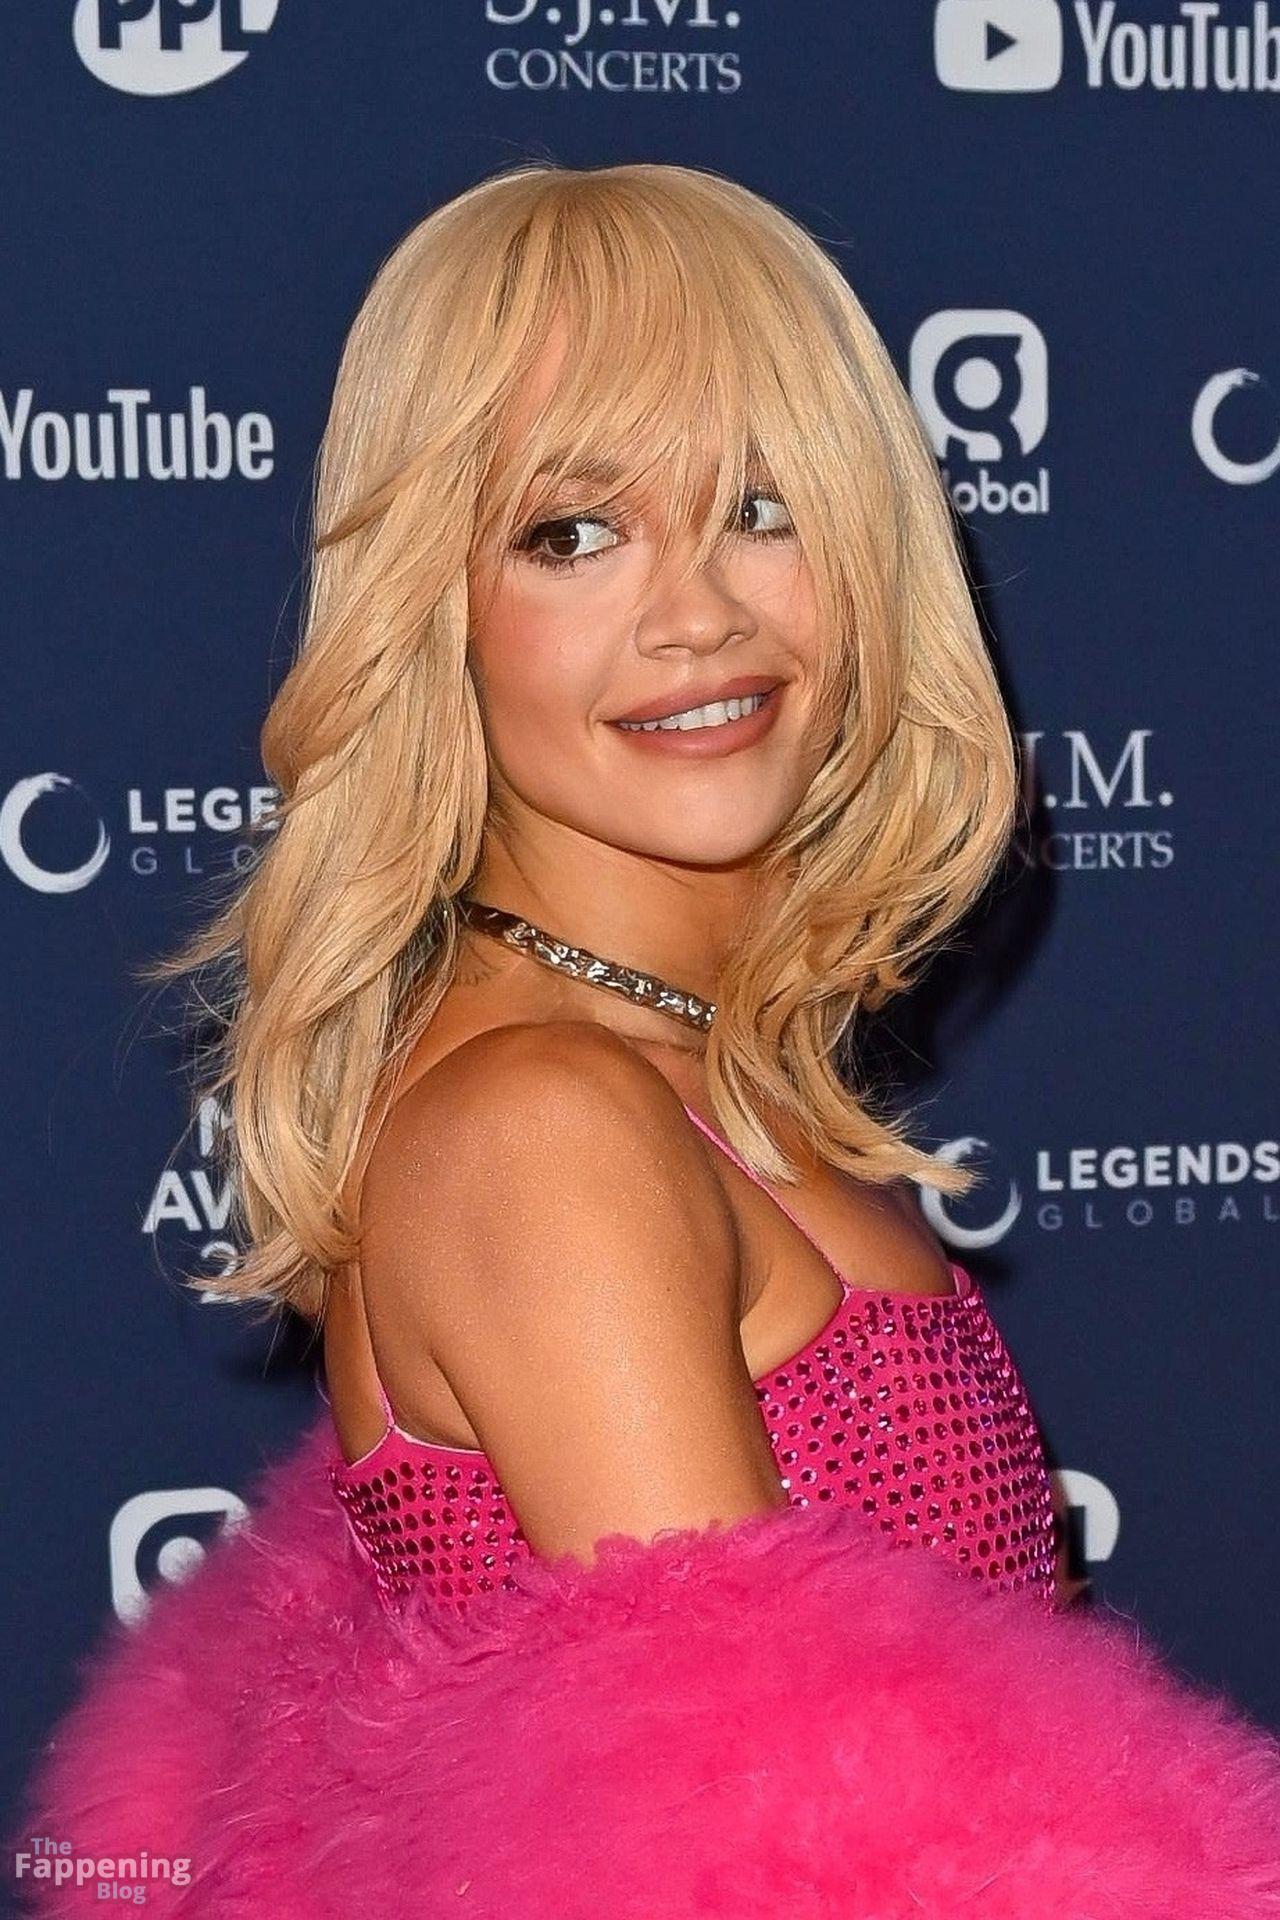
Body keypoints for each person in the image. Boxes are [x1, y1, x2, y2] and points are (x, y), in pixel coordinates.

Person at [8, 160, 1279, 1918]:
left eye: (762, 504)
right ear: (433, 606)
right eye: (574, 534)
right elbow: (757, 1857)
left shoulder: (665, 1075)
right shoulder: (545, 1123)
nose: (700, 614)